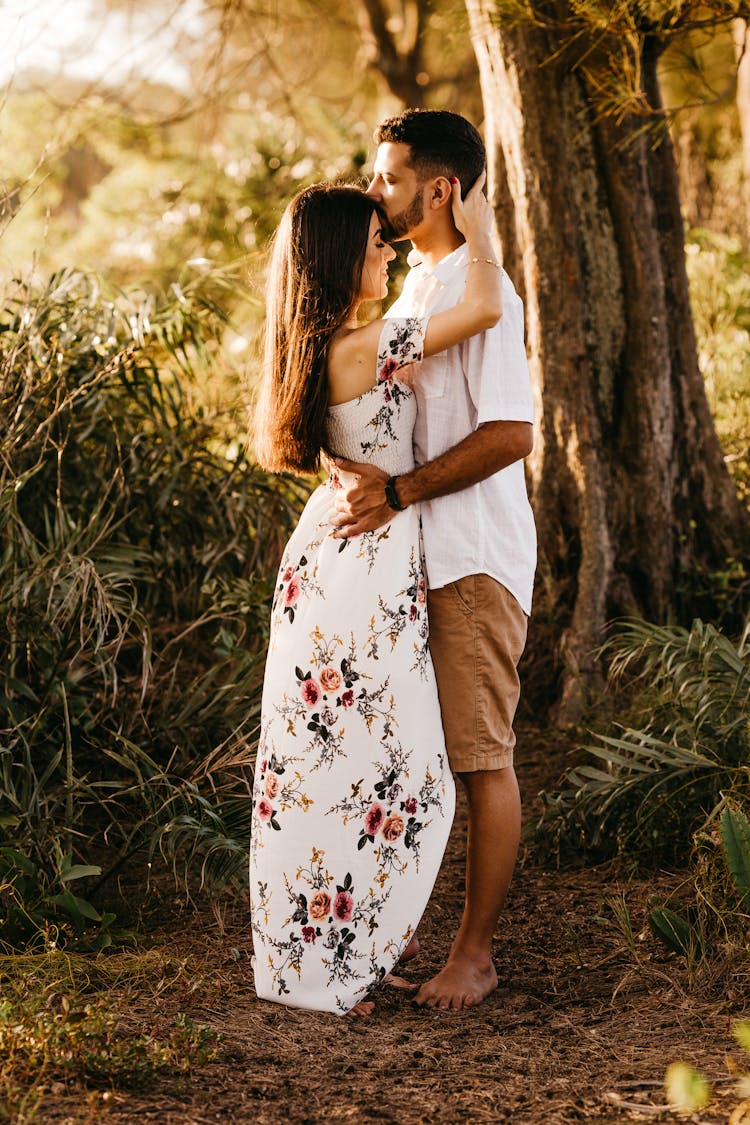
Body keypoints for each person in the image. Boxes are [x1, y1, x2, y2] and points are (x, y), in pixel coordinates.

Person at [249, 175, 503, 1015]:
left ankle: (337, 954)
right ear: (335, 260)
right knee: (384, 767)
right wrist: (484, 233)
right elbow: (487, 311)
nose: (386, 249)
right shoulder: (364, 346)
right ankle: (325, 971)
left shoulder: (324, 346)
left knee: (337, 768)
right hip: (359, 570)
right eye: (371, 242)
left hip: (337, 558)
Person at [330, 109, 537, 1011]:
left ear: (440, 187)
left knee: (482, 759)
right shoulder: (417, 290)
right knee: (414, 760)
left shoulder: (481, 288)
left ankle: (477, 955)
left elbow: (511, 434)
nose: (375, 191)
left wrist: (402, 495)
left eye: (387, 177)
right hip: (413, 561)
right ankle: (386, 934)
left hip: (472, 555)